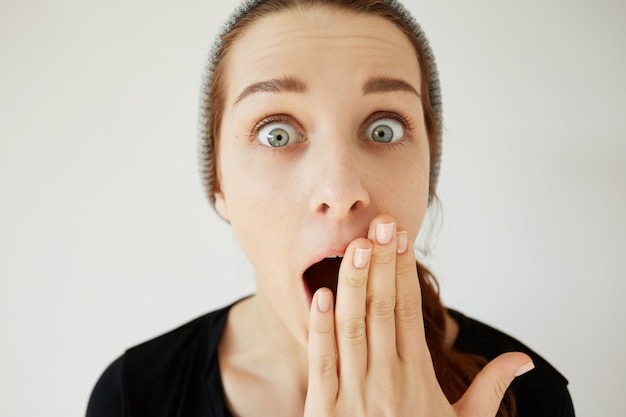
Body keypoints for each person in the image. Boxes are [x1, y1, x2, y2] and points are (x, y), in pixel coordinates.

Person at [86, 0, 575, 416]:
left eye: (385, 128)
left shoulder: (528, 398)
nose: (340, 191)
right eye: (276, 133)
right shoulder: (135, 396)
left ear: (428, 172)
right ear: (219, 184)